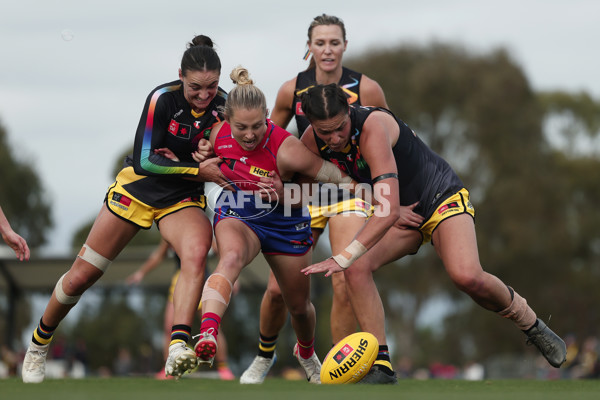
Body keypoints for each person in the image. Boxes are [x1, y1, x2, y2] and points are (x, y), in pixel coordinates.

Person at [299, 83, 568, 383]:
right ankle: (382, 366)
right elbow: (304, 184)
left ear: (349, 111)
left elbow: (381, 206)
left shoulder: (372, 127)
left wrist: (347, 250)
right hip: (401, 214)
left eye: (340, 128)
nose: (335, 138)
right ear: (311, 125)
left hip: (439, 197)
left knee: (467, 276)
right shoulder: (311, 140)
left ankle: (531, 323)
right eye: (326, 132)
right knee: (356, 267)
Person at [21, 35, 229, 383]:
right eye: (196, 87)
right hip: (140, 188)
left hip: (182, 197)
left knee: (197, 252)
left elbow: (237, 150)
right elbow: (146, 160)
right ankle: (39, 344)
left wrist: (214, 155)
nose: (204, 95)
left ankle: (178, 344)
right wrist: (196, 168)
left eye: (212, 86)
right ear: (180, 75)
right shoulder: (161, 99)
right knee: (81, 277)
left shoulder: (226, 105)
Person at [240, 14, 389, 385]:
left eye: (334, 42)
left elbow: (388, 140)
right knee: (279, 290)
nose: (327, 50)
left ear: (344, 46)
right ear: (308, 46)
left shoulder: (366, 88)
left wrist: (383, 193)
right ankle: (264, 356)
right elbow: (264, 137)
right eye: (319, 42)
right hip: (305, 194)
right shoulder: (292, 89)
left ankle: (340, 369)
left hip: (349, 193)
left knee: (345, 275)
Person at [190, 66, 356, 384]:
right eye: (241, 127)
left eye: (256, 126)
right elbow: (208, 157)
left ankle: (305, 353)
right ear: (227, 120)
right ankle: (209, 334)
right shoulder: (217, 134)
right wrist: (201, 156)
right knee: (231, 258)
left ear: (267, 115)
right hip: (239, 210)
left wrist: (288, 192)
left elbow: (336, 180)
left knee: (294, 303)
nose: (249, 135)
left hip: (286, 221)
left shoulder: (289, 150)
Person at [126, 238, 235, 380]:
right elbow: (158, 255)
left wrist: (231, 278)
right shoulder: (170, 233)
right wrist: (141, 273)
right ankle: (169, 367)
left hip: (202, 279)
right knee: (168, 326)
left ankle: (223, 368)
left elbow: (222, 254)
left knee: (211, 326)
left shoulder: (204, 230)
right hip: (180, 280)